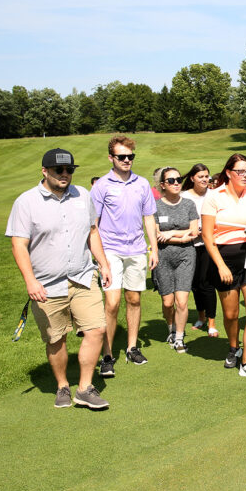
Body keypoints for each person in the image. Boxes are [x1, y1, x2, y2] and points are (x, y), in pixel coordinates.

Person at [6, 148, 111, 409]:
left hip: (83, 277)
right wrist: (30, 281)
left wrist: (104, 263)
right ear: (45, 171)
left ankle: (85, 388)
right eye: (59, 170)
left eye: (69, 170)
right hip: (47, 284)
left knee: (97, 329)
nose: (65, 175)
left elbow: (92, 232)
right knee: (56, 339)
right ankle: (63, 385)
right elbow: (19, 245)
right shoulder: (26, 202)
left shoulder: (83, 196)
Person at [90, 135, 159, 376]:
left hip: (137, 249)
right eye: (122, 156)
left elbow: (149, 216)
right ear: (111, 158)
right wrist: (100, 260)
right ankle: (107, 355)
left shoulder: (141, 184)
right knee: (112, 303)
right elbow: (94, 224)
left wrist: (154, 248)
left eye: (130, 156)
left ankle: (131, 347)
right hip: (110, 250)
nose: (127, 160)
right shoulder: (101, 186)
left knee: (134, 300)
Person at [200, 153, 246, 377]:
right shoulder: (214, 197)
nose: (245, 175)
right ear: (229, 173)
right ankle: (234, 347)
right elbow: (208, 236)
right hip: (224, 258)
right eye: (240, 171)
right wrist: (221, 266)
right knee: (230, 315)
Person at [153, 167, 199, 351]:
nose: (176, 183)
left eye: (178, 179)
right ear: (163, 185)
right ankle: (171, 328)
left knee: (181, 301)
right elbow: (155, 235)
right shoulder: (155, 206)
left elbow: (194, 232)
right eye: (171, 181)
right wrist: (182, 235)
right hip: (163, 256)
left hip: (186, 256)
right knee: (167, 302)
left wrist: (170, 233)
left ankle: (179, 337)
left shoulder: (188, 204)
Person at [180, 164, 219, 337]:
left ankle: (212, 322)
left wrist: (204, 231)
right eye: (201, 176)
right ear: (192, 178)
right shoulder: (184, 196)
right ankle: (201, 317)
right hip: (188, 245)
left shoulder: (214, 195)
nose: (204, 179)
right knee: (195, 284)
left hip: (207, 245)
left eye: (206, 176)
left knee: (207, 284)